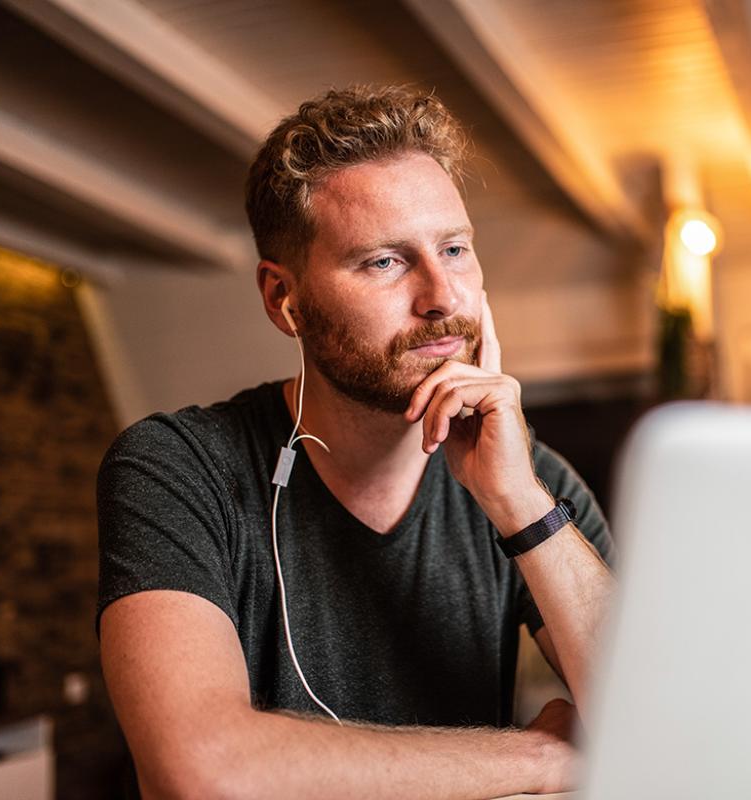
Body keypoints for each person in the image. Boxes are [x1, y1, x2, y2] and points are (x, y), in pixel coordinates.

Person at [96, 85, 615, 799]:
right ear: (285, 300)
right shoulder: (179, 468)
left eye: (455, 249)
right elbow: (202, 772)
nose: (443, 296)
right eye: (384, 262)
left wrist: (520, 502)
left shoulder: (533, 482)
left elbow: (661, 721)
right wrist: (537, 758)